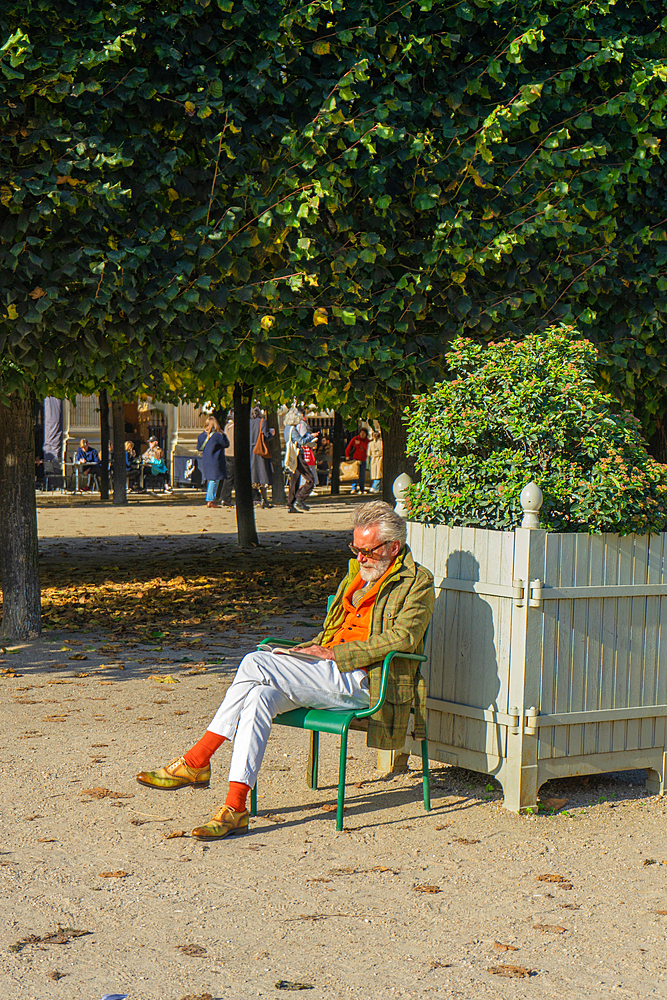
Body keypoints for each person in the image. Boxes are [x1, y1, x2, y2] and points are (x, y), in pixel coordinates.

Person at [136, 501, 435, 840]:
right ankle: (235, 808)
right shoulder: (356, 575)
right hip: (324, 670)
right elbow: (334, 628)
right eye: (356, 548)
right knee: (259, 697)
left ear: (393, 548)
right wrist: (307, 652)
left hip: (368, 679)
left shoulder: (418, 582)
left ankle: (197, 759)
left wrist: (333, 653)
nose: (360, 557)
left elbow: (405, 637)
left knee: (255, 662)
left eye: (368, 550)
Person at [284, 406, 318, 513]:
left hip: (292, 456)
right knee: (310, 479)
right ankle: (299, 498)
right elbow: (301, 442)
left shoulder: (286, 428)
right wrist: (311, 436)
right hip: (298, 455)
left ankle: (291, 504)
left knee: (294, 480)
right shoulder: (293, 429)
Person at [197, 416, 230, 508]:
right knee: (214, 480)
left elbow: (198, 447)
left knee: (211, 479)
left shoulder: (201, 435)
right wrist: (223, 434)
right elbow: (226, 444)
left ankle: (211, 498)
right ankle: (210, 500)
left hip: (206, 459)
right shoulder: (218, 435)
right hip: (216, 460)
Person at [249, 405, 275, 509]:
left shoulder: (248, 422)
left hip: (250, 450)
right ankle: (264, 500)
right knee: (262, 475)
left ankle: (253, 499)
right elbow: (265, 436)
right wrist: (271, 434)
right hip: (259, 450)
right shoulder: (262, 421)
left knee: (252, 475)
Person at [345, 427, 369, 494]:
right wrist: (347, 455)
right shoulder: (355, 439)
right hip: (355, 459)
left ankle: (361, 488)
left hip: (363, 460)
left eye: (364, 433)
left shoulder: (367, 441)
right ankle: (354, 487)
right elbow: (349, 447)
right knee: (354, 474)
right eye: (361, 433)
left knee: (362, 474)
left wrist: (360, 443)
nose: (362, 435)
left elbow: (367, 448)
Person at [219, 412, 235, 506]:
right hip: (233, 454)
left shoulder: (227, 426)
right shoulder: (233, 426)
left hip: (227, 453)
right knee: (231, 477)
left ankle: (225, 497)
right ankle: (225, 498)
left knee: (229, 477)